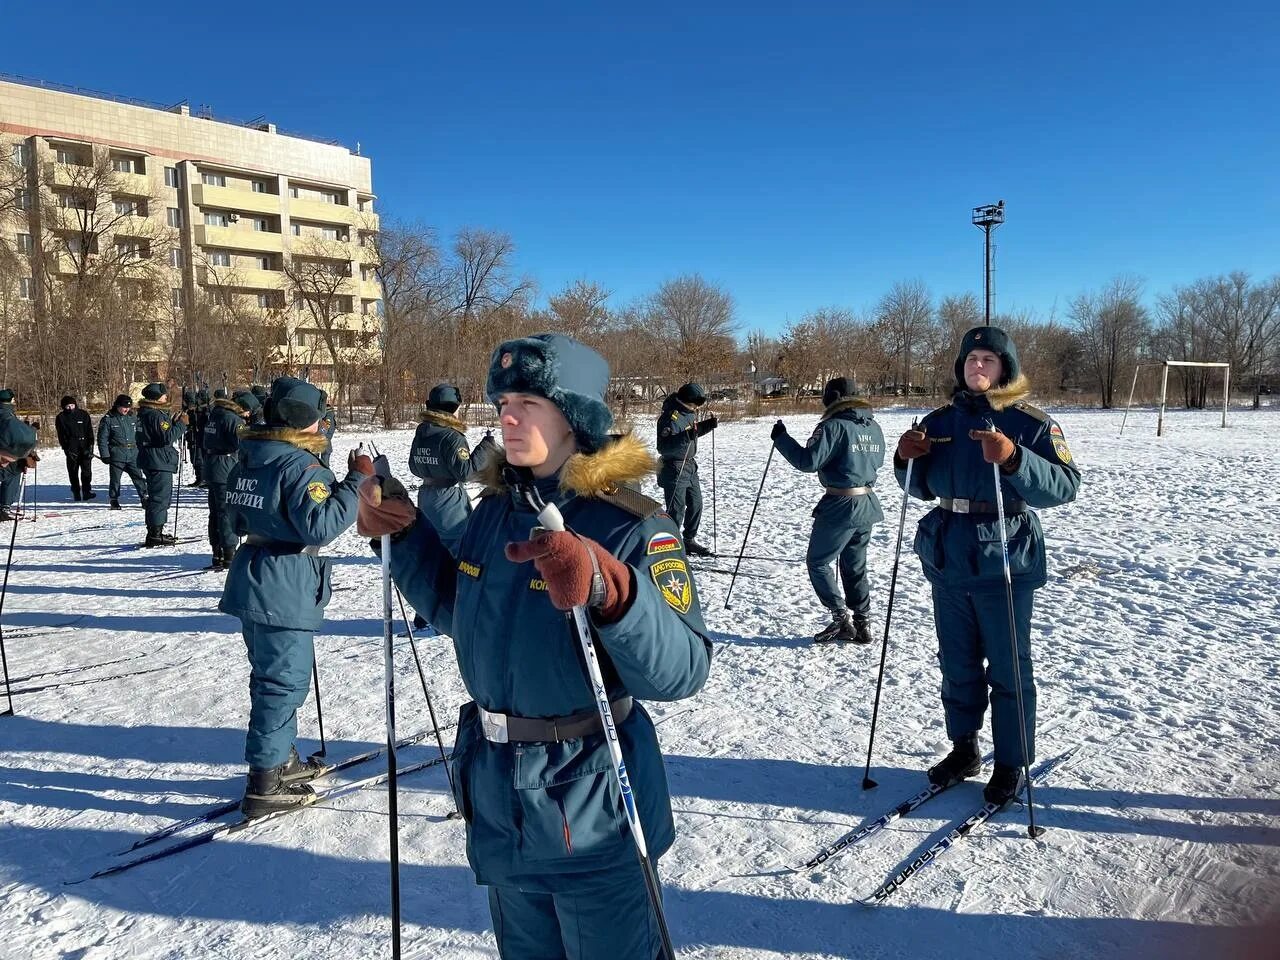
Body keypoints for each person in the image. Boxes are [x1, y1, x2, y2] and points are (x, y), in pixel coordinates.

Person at [358, 333, 713, 960]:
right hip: (499, 800)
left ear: (576, 416)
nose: (507, 416)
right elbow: (460, 612)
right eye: (502, 403)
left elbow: (682, 671)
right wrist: (409, 536)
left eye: (529, 401)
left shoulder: (631, 523)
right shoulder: (495, 510)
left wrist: (610, 589)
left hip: (593, 802)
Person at [894, 325, 1081, 806]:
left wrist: (1016, 458)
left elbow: (1063, 488)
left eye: (989, 361)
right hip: (949, 555)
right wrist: (903, 459)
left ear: (1005, 369)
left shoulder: (1030, 423)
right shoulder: (937, 421)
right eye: (972, 359)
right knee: (955, 660)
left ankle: (1011, 761)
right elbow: (921, 489)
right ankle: (964, 747)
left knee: (1008, 666)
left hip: (1005, 559)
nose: (978, 367)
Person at [219, 376, 368, 817]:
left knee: (270, 676)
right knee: (282, 683)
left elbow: (234, 516)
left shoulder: (252, 459)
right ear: (309, 423)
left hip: (254, 574)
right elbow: (320, 525)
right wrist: (356, 482)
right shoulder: (300, 467)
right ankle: (265, 781)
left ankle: (281, 755)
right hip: (283, 584)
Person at [770, 377, 885, 644]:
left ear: (832, 396)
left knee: (818, 562)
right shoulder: (873, 426)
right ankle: (862, 621)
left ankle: (840, 619)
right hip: (867, 503)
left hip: (840, 506)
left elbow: (808, 461)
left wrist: (782, 439)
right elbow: (877, 460)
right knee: (855, 566)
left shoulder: (832, 426)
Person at [407, 383, 475, 549]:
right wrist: (486, 449)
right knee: (458, 551)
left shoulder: (422, 432)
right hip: (450, 505)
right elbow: (466, 473)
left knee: (433, 551)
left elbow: (413, 467)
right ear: (452, 408)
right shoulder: (452, 437)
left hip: (426, 500)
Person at [655, 382, 718, 556]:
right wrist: (685, 436)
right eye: (695, 404)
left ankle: (688, 540)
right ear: (687, 401)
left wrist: (708, 425)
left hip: (690, 466)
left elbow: (693, 432)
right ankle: (671, 545)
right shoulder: (669, 418)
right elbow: (663, 447)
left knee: (696, 504)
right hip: (674, 467)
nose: (696, 408)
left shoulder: (688, 413)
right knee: (676, 510)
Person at [201, 387, 251, 571]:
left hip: (212, 466)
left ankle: (217, 551)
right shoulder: (233, 419)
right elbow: (243, 444)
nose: (248, 415)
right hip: (226, 467)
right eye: (247, 411)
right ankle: (229, 552)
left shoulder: (215, 415)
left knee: (214, 511)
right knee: (227, 511)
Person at [136, 382, 188, 547]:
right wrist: (181, 424)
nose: (166, 397)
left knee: (156, 497)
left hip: (151, 459)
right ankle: (154, 534)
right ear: (157, 398)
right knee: (160, 498)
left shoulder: (145, 413)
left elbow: (160, 432)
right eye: (164, 395)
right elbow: (166, 437)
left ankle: (155, 530)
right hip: (158, 460)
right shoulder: (155, 415)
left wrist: (172, 422)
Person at [97, 394, 148, 511]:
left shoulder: (132, 418)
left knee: (138, 477)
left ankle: (144, 497)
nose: (126, 409)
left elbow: (141, 433)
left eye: (128, 407)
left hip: (133, 453)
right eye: (124, 407)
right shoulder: (108, 419)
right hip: (117, 454)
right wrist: (105, 455)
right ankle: (114, 499)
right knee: (115, 479)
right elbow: (102, 439)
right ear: (117, 406)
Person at [0, 389, 34, 520]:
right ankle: (4, 507)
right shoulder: (6, 414)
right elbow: (22, 435)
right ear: (9, 401)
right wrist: (32, 430)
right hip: (5, 454)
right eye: (13, 399)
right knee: (14, 470)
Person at [55, 395, 97, 502]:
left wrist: (91, 446)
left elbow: (89, 432)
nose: (70, 408)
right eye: (68, 406)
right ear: (64, 407)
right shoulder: (61, 417)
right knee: (73, 471)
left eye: (72, 405)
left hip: (85, 447)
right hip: (71, 448)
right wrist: (66, 449)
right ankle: (76, 492)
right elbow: (61, 435)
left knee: (87, 471)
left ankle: (87, 491)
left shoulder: (83, 415)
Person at [318, 400, 337, 470]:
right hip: (323, 441)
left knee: (324, 465)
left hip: (324, 441)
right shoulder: (329, 414)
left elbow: (326, 429)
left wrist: (318, 435)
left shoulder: (328, 415)